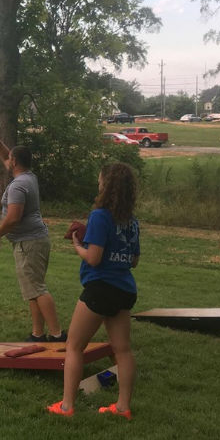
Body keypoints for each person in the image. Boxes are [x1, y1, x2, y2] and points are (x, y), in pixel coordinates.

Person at [47, 162, 140, 419]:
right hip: (125, 290)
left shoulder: (99, 216)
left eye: (100, 180)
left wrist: (78, 244)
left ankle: (66, 406)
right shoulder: (132, 222)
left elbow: (94, 258)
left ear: (106, 185)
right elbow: (134, 260)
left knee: (74, 346)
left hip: (100, 289)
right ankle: (123, 407)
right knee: (122, 349)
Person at [0, 118, 66, 342]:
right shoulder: (28, 176)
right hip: (31, 241)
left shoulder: (19, 185)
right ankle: (37, 333)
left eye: (9, 158)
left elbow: (13, 218)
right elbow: (5, 154)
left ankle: (58, 335)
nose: (6, 160)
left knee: (37, 288)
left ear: (14, 162)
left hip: (29, 243)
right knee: (32, 289)